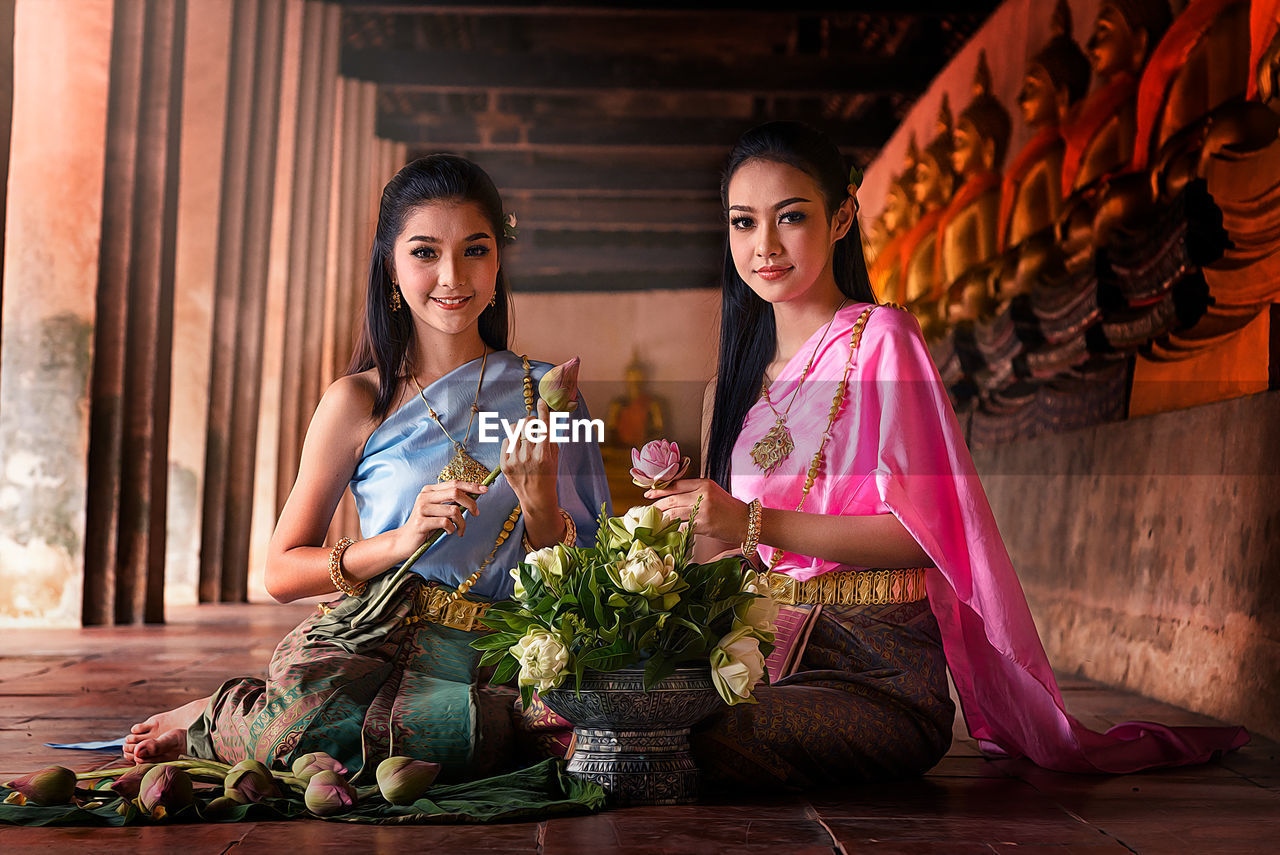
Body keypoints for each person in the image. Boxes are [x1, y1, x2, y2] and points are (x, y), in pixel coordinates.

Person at [646, 121, 1248, 787]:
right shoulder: (727, 389)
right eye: (743, 222)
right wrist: (682, 522)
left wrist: (751, 521)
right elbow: (722, 559)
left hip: (878, 676)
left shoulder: (882, 341)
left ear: (842, 216)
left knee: (697, 733)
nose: (764, 246)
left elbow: (924, 534)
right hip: (762, 658)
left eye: (790, 217)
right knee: (612, 705)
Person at [122, 155, 609, 781]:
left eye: (475, 250)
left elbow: (593, 579)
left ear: (498, 262)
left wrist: (540, 506)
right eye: (425, 253)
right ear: (390, 267)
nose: (452, 276)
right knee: (299, 732)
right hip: (377, 637)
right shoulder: (356, 401)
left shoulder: (547, 394)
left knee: (562, 731)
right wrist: (399, 540)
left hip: (504, 646)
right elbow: (280, 569)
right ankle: (226, 715)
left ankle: (313, 728)